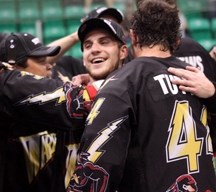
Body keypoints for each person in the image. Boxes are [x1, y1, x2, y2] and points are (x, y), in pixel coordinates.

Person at [66, 1, 216, 191]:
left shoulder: (121, 84)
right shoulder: (198, 79)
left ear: (133, 37)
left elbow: (97, 167)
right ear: (177, 41)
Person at [0, 33, 84, 192]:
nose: (50, 65)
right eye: (41, 61)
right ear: (15, 70)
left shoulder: (51, 99)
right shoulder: (7, 106)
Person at [46, 6, 124, 83]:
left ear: (123, 52)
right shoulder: (77, 65)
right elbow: (42, 60)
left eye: (104, 42)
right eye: (88, 45)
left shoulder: (131, 66)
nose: (95, 49)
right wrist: (77, 36)